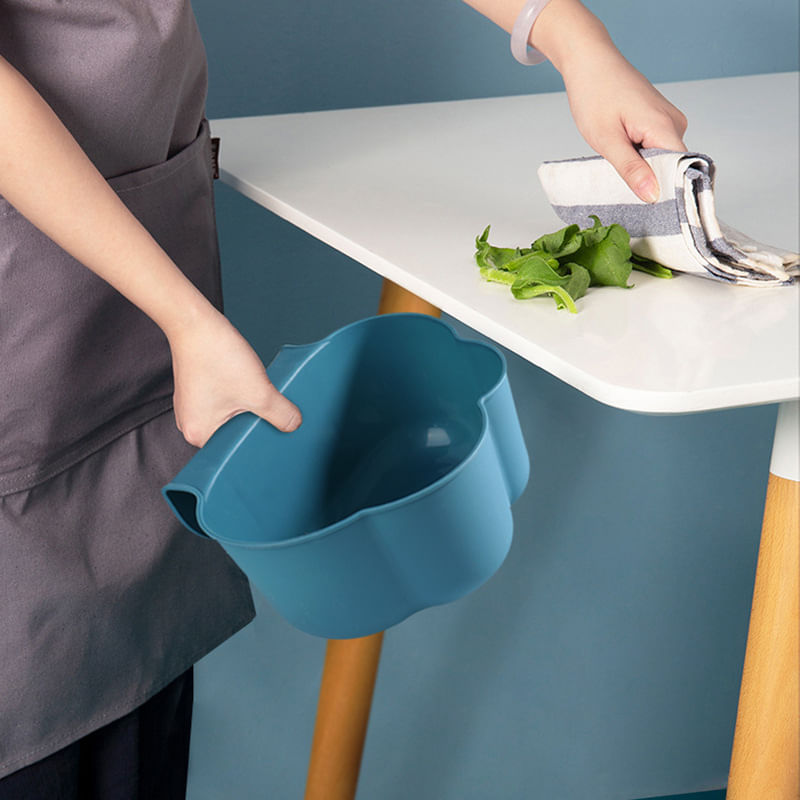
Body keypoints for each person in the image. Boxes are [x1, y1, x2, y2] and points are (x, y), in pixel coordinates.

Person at [0, 0, 688, 797]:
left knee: (131, 690)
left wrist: (573, 37)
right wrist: (183, 316)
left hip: (139, 271)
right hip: (41, 308)